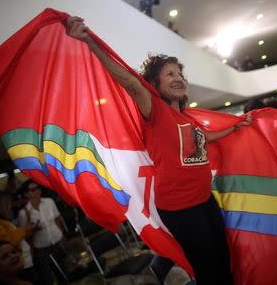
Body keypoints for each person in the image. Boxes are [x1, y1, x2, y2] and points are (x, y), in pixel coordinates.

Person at [65, 16, 253, 284]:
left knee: (224, 259)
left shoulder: (187, 118)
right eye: (170, 74)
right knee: (210, 269)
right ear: (156, 83)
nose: (178, 78)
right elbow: (129, 81)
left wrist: (236, 126)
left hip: (204, 199)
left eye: (180, 73)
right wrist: (89, 41)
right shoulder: (154, 109)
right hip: (180, 208)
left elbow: (207, 137)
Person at [18, 180, 64, 285]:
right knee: (48, 276)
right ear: (26, 194)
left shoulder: (49, 201)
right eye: (33, 190)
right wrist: (33, 230)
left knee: (64, 270)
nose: (37, 191)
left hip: (58, 241)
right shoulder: (23, 213)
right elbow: (25, 235)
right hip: (41, 248)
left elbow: (57, 219)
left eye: (38, 188)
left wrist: (62, 234)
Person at [0, 191, 35, 283]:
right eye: (8, 203)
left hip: (23, 262)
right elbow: (6, 242)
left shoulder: (2, 220)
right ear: (1, 205)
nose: (11, 206)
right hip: (18, 265)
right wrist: (25, 229)